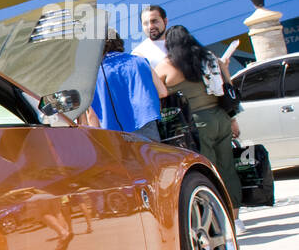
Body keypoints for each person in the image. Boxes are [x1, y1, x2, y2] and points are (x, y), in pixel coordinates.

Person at [151, 26, 243, 225]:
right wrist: (233, 119)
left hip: (198, 124)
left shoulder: (167, 65)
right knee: (227, 167)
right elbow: (227, 88)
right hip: (221, 118)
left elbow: (155, 92)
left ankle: (215, 219)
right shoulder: (209, 59)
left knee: (207, 172)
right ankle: (236, 219)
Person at [87, 30, 167, 140]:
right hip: (146, 125)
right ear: (119, 42)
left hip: (113, 135)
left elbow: (92, 117)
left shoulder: (93, 75)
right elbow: (163, 92)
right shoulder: (140, 61)